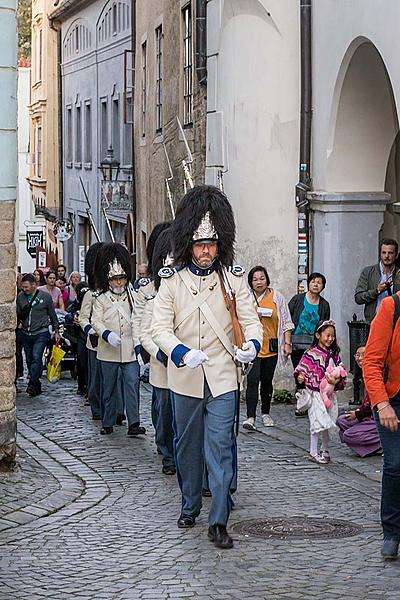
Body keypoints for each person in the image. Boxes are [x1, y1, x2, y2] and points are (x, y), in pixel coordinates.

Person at [152, 185, 263, 550]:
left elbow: (250, 320)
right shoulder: (172, 282)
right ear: (189, 244)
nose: (205, 251)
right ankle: (189, 503)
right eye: (200, 245)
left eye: (211, 244)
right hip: (185, 375)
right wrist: (181, 352)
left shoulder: (233, 279)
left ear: (220, 244)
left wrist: (252, 345)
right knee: (187, 447)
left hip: (222, 377)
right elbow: (159, 329)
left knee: (220, 446)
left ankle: (219, 520)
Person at [92, 242, 145, 437]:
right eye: (115, 279)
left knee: (132, 385)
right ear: (108, 279)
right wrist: (107, 334)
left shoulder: (134, 297)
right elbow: (96, 321)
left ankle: (134, 422)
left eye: (122, 278)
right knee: (109, 388)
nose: (119, 283)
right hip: (108, 350)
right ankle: (107, 422)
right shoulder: (101, 299)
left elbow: (140, 318)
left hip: (130, 349)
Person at [363, 291, 400, 559]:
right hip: (392, 400)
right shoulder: (390, 307)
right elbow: (372, 363)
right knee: (396, 463)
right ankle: (392, 531)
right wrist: (382, 404)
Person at [140, 228, 175, 475]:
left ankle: (178, 455)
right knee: (163, 413)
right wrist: (159, 353)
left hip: (184, 366)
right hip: (162, 365)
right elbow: (145, 333)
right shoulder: (153, 296)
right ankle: (167, 452)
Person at [242, 265, 294, 430]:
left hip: (271, 346)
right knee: (252, 380)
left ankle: (265, 413)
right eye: (255, 279)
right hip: (252, 347)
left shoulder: (276, 297)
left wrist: (287, 343)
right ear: (250, 282)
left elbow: (286, 322)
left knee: (266, 381)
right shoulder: (246, 298)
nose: (259, 282)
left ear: (267, 279)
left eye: (262, 278)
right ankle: (250, 417)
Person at [294, 320, 346, 464]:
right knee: (317, 421)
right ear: (318, 335)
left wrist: (336, 382)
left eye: (332, 336)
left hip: (329, 394)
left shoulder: (334, 354)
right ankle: (313, 451)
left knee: (328, 421)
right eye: (327, 335)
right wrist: (301, 377)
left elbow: (341, 371)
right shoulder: (311, 353)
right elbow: (302, 368)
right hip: (315, 393)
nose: (330, 339)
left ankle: (325, 449)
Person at [289, 272, 330, 417]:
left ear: (323, 286)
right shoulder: (297, 300)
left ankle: (312, 403)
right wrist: (287, 341)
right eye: (313, 281)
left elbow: (325, 327)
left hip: (314, 347)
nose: (316, 284)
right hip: (296, 344)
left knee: (313, 374)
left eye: (319, 282)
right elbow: (287, 320)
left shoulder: (324, 305)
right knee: (299, 373)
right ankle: (301, 403)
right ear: (309, 283)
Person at [16, 273, 60, 396]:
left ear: (34, 285)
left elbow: (52, 314)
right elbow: (18, 314)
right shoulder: (20, 297)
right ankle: (36, 384)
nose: (24, 289)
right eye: (23, 287)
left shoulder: (45, 297)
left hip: (41, 332)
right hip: (25, 332)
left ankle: (32, 383)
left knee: (36, 356)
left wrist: (56, 330)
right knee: (30, 360)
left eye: (26, 287)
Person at [336, 345, 381, 458]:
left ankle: (383, 442)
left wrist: (357, 414)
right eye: (357, 355)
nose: (360, 358)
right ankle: (367, 445)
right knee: (341, 421)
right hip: (367, 414)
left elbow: (373, 403)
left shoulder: (375, 373)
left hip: (377, 416)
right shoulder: (363, 374)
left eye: (363, 355)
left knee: (348, 435)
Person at [78, 242, 104, 421]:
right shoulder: (90, 294)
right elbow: (83, 317)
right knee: (95, 379)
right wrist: (90, 330)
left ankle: (115, 409)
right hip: (95, 341)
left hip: (114, 342)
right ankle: (96, 408)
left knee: (112, 380)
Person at [355, 238, 400, 323]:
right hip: (373, 322)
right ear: (380, 254)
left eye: (390, 253)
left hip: (395, 323)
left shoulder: (399, 274)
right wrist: (377, 291)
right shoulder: (368, 272)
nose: (386, 256)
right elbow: (358, 298)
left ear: (396, 255)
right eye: (384, 252)